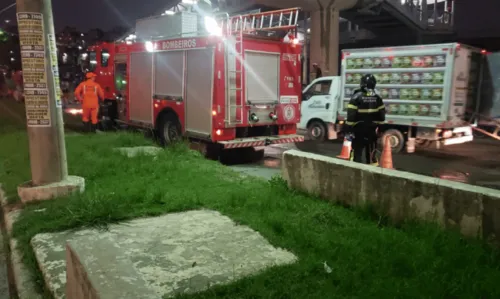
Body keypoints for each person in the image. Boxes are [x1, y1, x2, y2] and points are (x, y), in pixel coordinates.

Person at [345, 74, 385, 165]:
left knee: (357, 154)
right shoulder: (377, 98)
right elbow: (381, 116)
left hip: (359, 130)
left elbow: (351, 116)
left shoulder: (356, 97)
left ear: (362, 84)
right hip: (371, 130)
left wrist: (348, 129)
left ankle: (355, 173)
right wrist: (381, 128)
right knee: (371, 155)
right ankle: (372, 174)